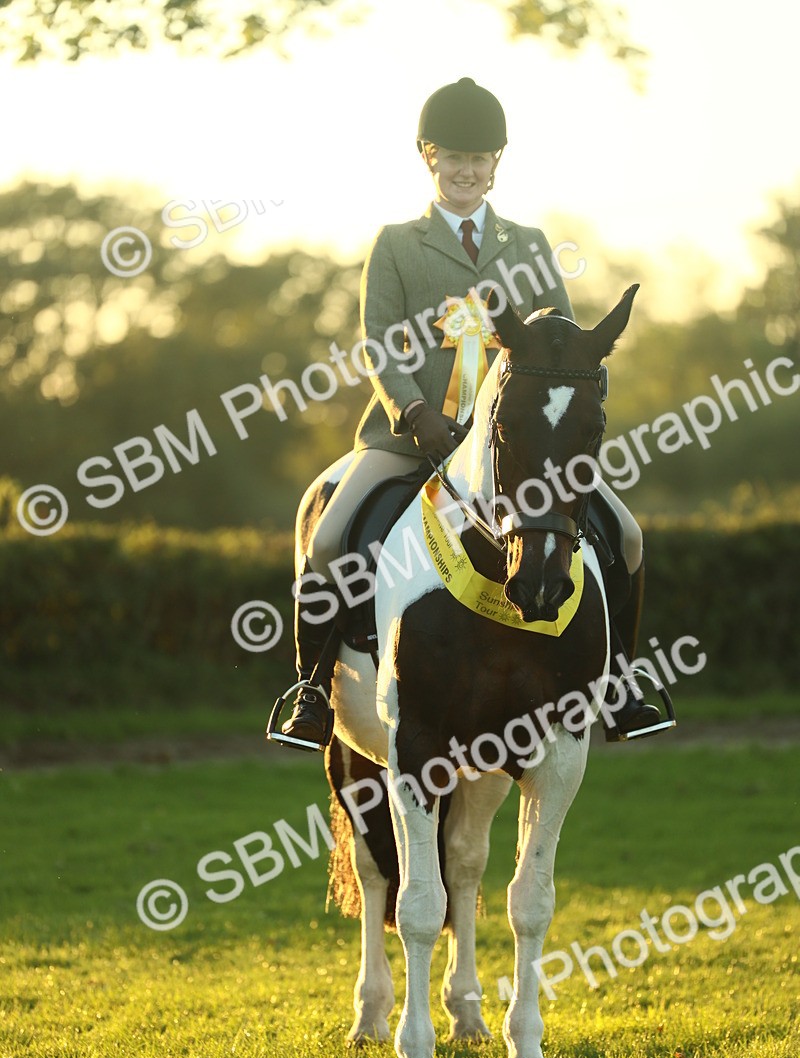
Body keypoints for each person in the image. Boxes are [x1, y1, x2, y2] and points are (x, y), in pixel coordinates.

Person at [271, 77, 670, 749]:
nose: (465, 169)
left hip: (515, 443)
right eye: (452, 156)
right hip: (414, 437)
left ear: (496, 164)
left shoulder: (530, 241)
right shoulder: (397, 243)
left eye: (478, 158)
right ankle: (312, 690)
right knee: (332, 535)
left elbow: (563, 342)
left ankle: (622, 686)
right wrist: (417, 411)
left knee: (626, 535)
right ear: (428, 157)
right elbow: (376, 342)